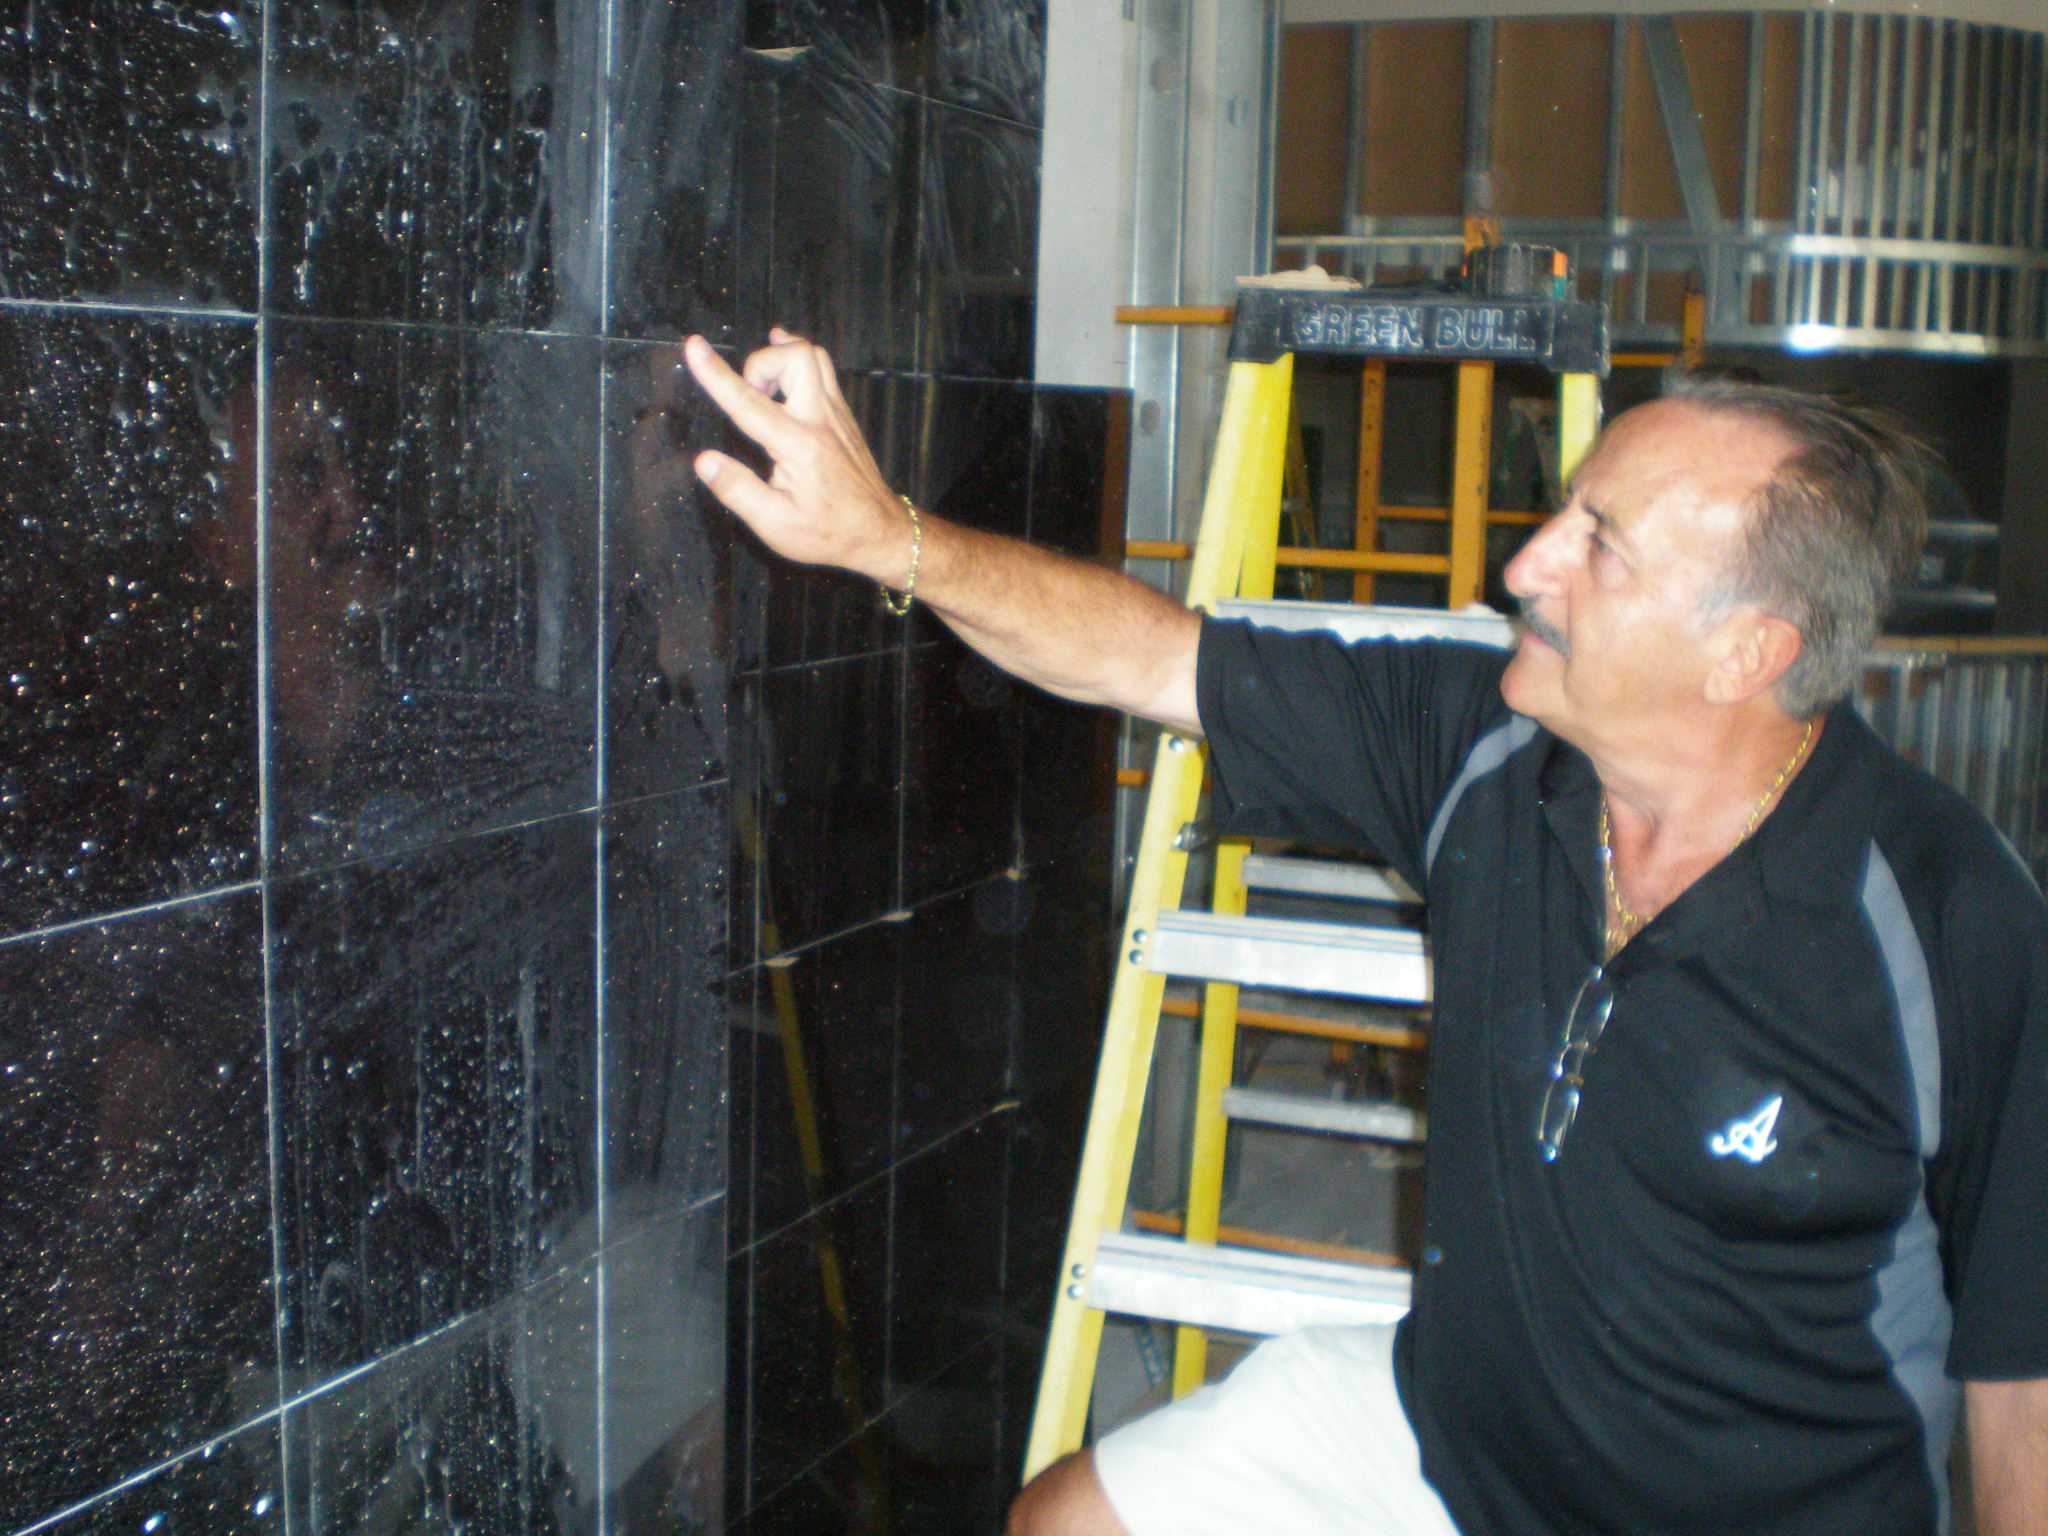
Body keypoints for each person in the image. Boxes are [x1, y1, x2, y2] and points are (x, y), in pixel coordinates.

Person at [676, 329, 2048, 1536]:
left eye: (1600, 545)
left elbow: (2021, 1383)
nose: (1526, 564)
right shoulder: (1485, 749)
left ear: (1748, 652)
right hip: (1456, 1440)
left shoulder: (1949, 920)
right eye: (1566, 512)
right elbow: (1152, 656)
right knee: (1071, 1522)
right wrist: (886, 539)